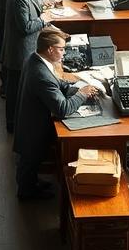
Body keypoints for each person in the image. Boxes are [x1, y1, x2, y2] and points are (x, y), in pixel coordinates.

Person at [13, 28, 101, 200]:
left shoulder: (35, 59)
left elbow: (57, 84)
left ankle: (31, 184)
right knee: (30, 161)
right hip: (34, 128)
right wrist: (82, 94)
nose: (64, 53)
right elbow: (63, 109)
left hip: (29, 121)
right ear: (50, 49)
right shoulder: (41, 75)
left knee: (30, 163)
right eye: (61, 49)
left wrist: (75, 88)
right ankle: (27, 193)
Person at [1, 0, 47, 133]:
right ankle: (12, 125)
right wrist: (43, 21)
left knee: (18, 91)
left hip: (25, 49)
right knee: (15, 92)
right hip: (19, 52)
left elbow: (37, 6)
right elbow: (25, 26)